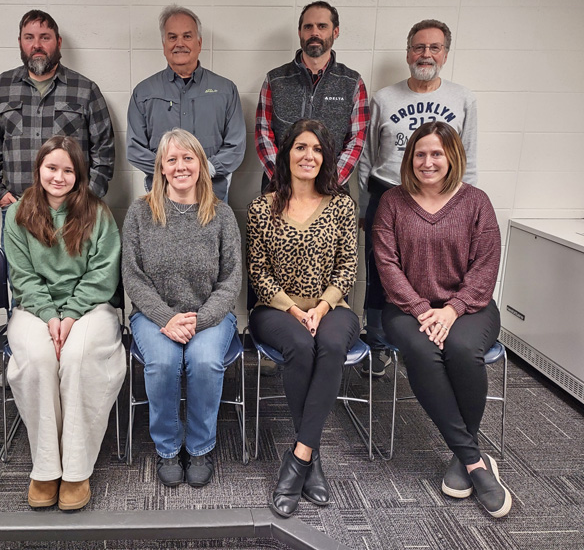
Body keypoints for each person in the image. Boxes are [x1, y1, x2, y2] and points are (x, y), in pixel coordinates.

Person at [373, 121, 509, 518]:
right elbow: (387, 264)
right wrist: (420, 310)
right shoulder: (393, 202)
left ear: (452, 157)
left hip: (470, 306)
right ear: (409, 158)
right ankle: (474, 461)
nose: (428, 162)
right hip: (405, 309)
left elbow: (486, 265)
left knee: (463, 350)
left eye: (436, 154)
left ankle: (463, 457)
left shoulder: (476, 201)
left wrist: (452, 310)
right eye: (420, 154)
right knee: (423, 351)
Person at [3, 136, 125, 511]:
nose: (58, 176)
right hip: (34, 309)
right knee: (38, 360)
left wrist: (70, 314)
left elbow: (103, 275)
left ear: (79, 174)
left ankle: (75, 469)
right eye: (51, 168)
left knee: (78, 359)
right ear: (38, 169)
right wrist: (49, 315)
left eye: (67, 170)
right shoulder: (18, 213)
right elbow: (22, 276)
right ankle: (45, 466)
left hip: (91, 309)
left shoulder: (97, 212)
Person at [247, 119, 359, 518]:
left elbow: (348, 268)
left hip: (332, 308)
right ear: (286, 155)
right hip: (276, 310)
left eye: (316, 148)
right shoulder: (263, 205)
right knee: (299, 345)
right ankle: (310, 460)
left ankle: (300, 457)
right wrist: (294, 310)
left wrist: (322, 307)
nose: (308, 155)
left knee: (329, 344)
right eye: (300, 147)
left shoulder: (343, 205)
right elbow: (257, 271)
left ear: (326, 156)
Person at [122, 128, 242, 488]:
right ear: (160, 167)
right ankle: (169, 449)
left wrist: (199, 320)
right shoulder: (140, 213)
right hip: (153, 315)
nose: (180, 166)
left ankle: (201, 446)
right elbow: (132, 276)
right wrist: (166, 318)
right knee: (163, 362)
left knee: (204, 361)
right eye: (171, 159)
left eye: (188, 158)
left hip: (210, 316)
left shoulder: (221, 215)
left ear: (201, 164)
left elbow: (231, 279)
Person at [358, 19, 478, 377]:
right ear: (408, 51)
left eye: (434, 47)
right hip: (388, 194)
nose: (425, 54)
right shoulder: (384, 98)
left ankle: (430, 336)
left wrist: (468, 207)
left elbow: (468, 157)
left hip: (443, 199)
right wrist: (367, 204)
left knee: (440, 270)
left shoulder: (463, 99)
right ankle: (378, 346)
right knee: (382, 273)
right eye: (418, 47)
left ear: (445, 53)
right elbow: (366, 156)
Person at [0, 9, 115, 236]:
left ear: (58, 42)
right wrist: (0, 194)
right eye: (29, 37)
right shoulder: (1, 88)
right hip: (18, 210)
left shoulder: (85, 90)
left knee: (75, 271)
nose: (37, 45)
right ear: (20, 42)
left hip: (73, 212)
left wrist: (88, 199)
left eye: (45, 37)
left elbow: (104, 151)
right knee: (19, 273)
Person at [127, 5, 245, 202]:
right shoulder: (143, 93)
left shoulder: (226, 90)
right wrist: (171, 171)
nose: (179, 43)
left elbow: (236, 147)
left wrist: (202, 170)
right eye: (172, 37)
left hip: (213, 197)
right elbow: (134, 149)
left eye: (187, 36)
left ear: (199, 43)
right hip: (161, 198)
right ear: (164, 45)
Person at [255, 1, 368, 192]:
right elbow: (263, 134)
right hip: (280, 189)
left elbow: (356, 141)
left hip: (333, 190)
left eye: (322, 26)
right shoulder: (275, 79)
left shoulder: (352, 82)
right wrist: (284, 179)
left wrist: (329, 182)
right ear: (300, 32)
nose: (314, 32)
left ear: (335, 32)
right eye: (308, 27)